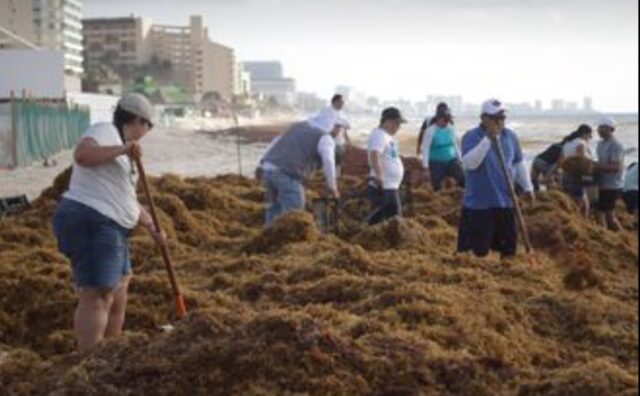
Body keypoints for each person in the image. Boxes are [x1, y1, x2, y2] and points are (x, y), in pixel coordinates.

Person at [52, 93, 165, 351]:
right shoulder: (105, 131)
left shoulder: (124, 151)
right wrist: (125, 148)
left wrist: (152, 228)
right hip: (91, 219)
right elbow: (82, 155)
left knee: (121, 287)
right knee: (99, 293)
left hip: (112, 226)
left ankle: (110, 353)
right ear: (136, 120)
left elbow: (126, 200)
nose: (147, 131)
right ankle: (89, 360)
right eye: (148, 125)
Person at [457, 99, 534, 258]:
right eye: (495, 118)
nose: (500, 122)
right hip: (479, 205)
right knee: (478, 251)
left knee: (508, 249)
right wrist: (488, 140)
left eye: (502, 117)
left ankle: (508, 276)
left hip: (506, 201)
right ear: (484, 118)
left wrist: (528, 188)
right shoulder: (471, 136)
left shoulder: (510, 136)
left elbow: (519, 163)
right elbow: (470, 163)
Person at [260, 110, 340, 225]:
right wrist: (332, 187)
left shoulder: (298, 126)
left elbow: (276, 141)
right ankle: (287, 239)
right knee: (294, 214)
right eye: (338, 127)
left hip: (268, 168)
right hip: (287, 174)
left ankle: (268, 236)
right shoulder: (325, 137)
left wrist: (262, 163)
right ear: (332, 125)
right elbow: (328, 160)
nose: (338, 131)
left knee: (273, 209)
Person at [366, 107, 406, 225]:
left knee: (385, 220)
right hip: (383, 186)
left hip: (390, 186)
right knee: (393, 221)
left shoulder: (386, 136)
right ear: (387, 121)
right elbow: (375, 154)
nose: (399, 127)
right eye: (397, 123)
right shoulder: (379, 135)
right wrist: (379, 176)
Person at [530, 125, 591, 192]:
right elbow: (558, 163)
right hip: (546, 164)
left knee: (536, 186)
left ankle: (536, 194)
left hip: (536, 160)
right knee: (553, 181)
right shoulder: (566, 146)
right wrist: (548, 176)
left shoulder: (556, 145)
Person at [420, 107, 464, 191]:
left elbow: (455, 144)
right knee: (437, 186)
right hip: (436, 163)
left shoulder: (451, 129)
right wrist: (425, 166)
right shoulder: (430, 131)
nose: (447, 122)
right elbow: (425, 149)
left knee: (462, 178)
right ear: (439, 119)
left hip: (451, 161)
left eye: (448, 120)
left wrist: (460, 159)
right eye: (445, 120)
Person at [594, 117, 626, 231]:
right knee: (602, 212)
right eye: (598, 128)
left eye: (602, 128)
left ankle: (623, 238)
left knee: (608, 214)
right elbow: (601, 162)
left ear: (610, 129)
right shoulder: (600, 144)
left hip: (613, 185)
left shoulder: (616, 145)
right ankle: (606, 234)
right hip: (603, 183)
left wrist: (597, 167)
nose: (599, 130)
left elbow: (616, 167)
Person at [559, 125, 595, 217]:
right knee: (580, 201)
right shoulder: (581, 143)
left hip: (565, 175)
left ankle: (576, 220)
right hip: (576, 176)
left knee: (573, 200)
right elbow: (581, 160)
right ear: (584, 134)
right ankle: (580, 221)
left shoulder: (567, 144)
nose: (589, 139)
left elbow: (561, 161)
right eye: (589, 136)